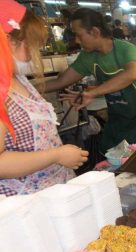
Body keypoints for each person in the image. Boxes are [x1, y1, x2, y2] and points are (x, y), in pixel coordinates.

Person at [0, 1, 88, 196]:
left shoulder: (18, 79)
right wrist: (56, 155)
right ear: (9, 42)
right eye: (32, 46)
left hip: (54, 190)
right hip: (27, 203)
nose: (35, 54)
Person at [45, 8, 136, 153]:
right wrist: (18, 88)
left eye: (78, 35)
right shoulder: (88, 57)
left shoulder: (125, 49)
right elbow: (59, 82)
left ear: (95, 32)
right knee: (114, 161)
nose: (76, 40)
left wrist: (93, 93)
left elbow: (130, 74)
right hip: (118, 119)